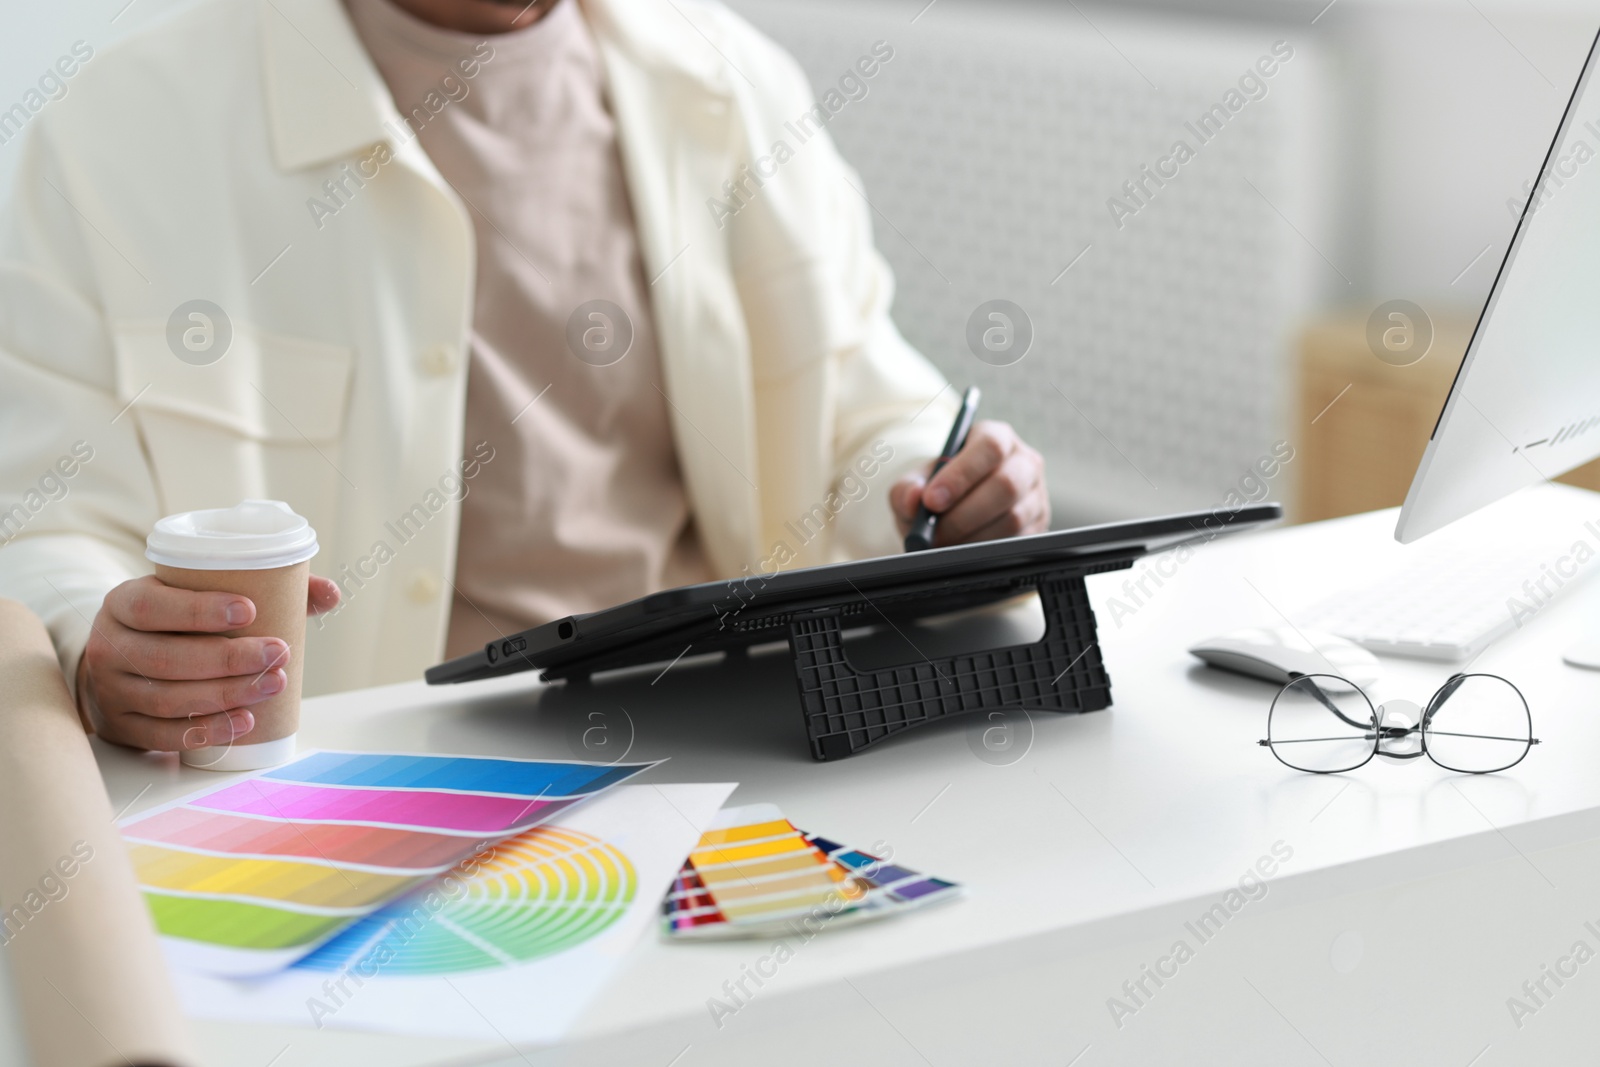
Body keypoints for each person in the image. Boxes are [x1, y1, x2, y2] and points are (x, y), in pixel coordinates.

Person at [0, 0, 1049, 754]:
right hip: (353, 786)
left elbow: (861, 398)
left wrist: (943, 492)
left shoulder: (735, 83)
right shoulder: (115, 132)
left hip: (713, 741)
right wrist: (100, 638)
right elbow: (39, 515)